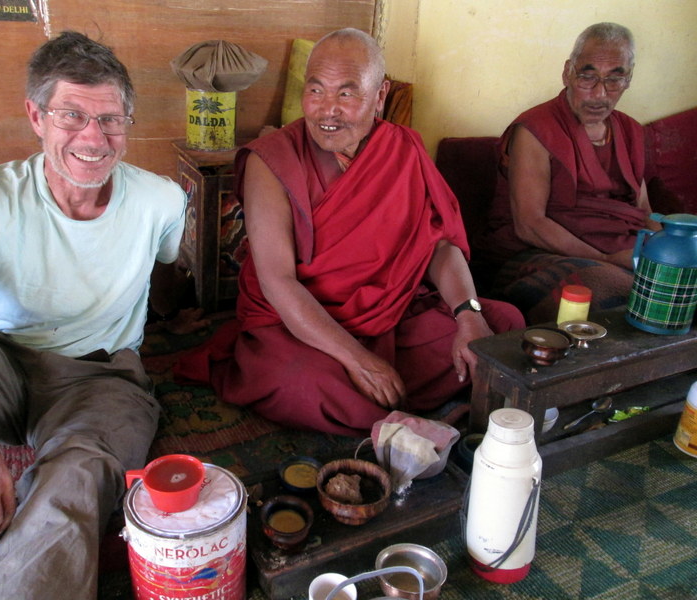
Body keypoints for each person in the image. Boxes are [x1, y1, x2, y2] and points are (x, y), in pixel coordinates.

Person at [0, 31, 205, 599]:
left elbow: (164, 270)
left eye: (111, 119)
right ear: (35, 116)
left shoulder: (161, 199)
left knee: (77, 472)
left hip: (102, 375)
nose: (94, 137)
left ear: (128, 123)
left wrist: (172, 314)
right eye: (71, 115)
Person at [175, 28, 524, 437]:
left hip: (390, 316)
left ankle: (394, 411)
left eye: (346, 93)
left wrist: (468, 315)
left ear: (380, 95)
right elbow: (277, 280)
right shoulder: (273, 161)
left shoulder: (404, 148)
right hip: (300, 327)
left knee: (501, 326)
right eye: (316, 90)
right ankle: (409, 420)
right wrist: (360, 361)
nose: (327, 111)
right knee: (301, 380)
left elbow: (437, 245)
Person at [479, 22, 658, 324]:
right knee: (597, 288)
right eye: (588, 77)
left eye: (615, 79)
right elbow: (530, 225)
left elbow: (642, 210)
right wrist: (605, 260)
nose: (600, 94)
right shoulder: (536, 129)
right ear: (568, 73)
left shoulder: (630, 131)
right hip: (539, 255)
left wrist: (663, 252)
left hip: (624, 251)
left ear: (629, 79)